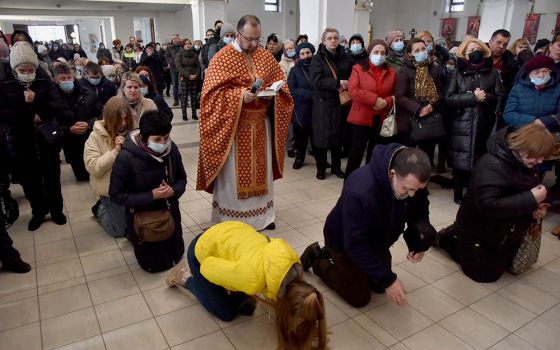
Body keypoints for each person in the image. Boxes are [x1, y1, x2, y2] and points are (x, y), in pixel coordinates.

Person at [300, 145, 435, 307]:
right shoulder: (360, 190)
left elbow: (420, 210)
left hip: (378, 238)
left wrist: (420, 242)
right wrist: (389, 281)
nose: (412, 194)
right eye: (408, 189)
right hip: (343, 241)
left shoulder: (412, 180)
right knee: (359, 297)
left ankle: (357, 271)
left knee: (378, 286)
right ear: (393, 174)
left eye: (418, 189)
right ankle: (318, 258)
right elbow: (355, 244)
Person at [197, 15, 293, 232]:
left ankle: (263, 217)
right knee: (233, 176)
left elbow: (283, 85)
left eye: (257, 39)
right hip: (234, 129)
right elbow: (210, 97)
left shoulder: (266, 56)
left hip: (261, 126)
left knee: (262, 172)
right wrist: (240, 96)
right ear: (238, 35)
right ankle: (231, 221)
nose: (254, 44)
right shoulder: (222, 58)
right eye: (250, 39)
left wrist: (273, 93)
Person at [165, 221, 327, 349]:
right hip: (201, 250)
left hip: (232, 232)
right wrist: (231, 282)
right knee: (226, 312)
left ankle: (228, 286)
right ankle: (184, 277)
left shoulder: (294, 263)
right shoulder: (253, 279)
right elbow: (207, 267)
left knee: (247, 305)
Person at [435, 124, 553, 282]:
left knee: (501, 266)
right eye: (537, 156)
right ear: (522, 147)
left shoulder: (525, 162)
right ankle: (448, 239)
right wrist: (531, 199)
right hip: (481, 231)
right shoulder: (490, 164)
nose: (540, 161)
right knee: (485, 276)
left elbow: (521, 193)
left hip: (505, 232)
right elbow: (488, 205)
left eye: (543, 157)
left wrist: (535, 209)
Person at [0, 41, 68, 231]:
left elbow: (59, 107)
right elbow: (4, 114)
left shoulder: (44, 82)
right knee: (30, 181)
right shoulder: (5, 85)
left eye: (31, 69)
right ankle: (38, 211)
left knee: (52, 177)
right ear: (14, 69)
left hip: (47, 139)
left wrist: (37, 101)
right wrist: (27, 111)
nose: (28, 72)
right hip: (21, 140)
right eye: (23, 69)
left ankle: (56, 210)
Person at [109, 110, 187, 272]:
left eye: (166, 138)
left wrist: (173, 191)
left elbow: (182, 179)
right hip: (144, 219)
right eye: (157, 139)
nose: (163, 143)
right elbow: (116, 195)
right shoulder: (126, 158)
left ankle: (175, 255)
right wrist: (151, 195)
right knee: (154, 261)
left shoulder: (171, 150)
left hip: (170, 211)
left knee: (175, 250)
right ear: (144, 137)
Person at [446, 38, 505, 204]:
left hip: (484, 123)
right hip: (461, 123)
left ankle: (474, 193)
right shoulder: (456, 73)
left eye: (477, 49)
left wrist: (485, 97)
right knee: (460, 161)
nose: (475, 52)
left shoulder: (493, 72)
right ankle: (458, 193)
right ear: (464, 54)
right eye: (470, 50)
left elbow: (500, 97)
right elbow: (449, 99)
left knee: (480, 161)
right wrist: (472, 97)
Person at [344, 39, 397, 179]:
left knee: (375, 153)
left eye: (382, 52)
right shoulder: (358, 68)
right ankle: (350, 180)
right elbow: (353, 90)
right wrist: (374, 100)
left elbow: (396, 94)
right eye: (376, 52)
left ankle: (369, 180)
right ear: (370, 53)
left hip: (381, 118)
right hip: (361, 118)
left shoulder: (391, 72)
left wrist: (386, 101)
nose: (379, 55)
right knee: (356, 151)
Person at [84, 96, 132, 237]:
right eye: (119, 120)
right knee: (119, 231)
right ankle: (100, 208)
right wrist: (115, 151)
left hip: (131, 188)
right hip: (109, 190)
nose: (123, 123)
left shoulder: (134, 133)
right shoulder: (95, 136)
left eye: (126, 119)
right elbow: (93, 168)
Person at [310, 27, 353, 180]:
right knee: (322, 138)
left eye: (335, 38)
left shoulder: (346, 56)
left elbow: (353, 74)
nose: (333, 41)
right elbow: (316, 80)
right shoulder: (317, 58)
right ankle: (321, 169)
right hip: (323, 104)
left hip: (342, 103)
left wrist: (348, 83)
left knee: (338, 138)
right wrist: (337, 83)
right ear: (324, 41)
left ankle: (336, 167)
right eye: (330, 38)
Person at [395, 38, 444, 160]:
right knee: (407, 156)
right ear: (410, 54)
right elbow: (400, 97)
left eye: (423, 49)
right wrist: (419, 109)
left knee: (425, 156)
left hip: (429, 119)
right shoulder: (405, 70)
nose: (421, 52)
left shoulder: (434, 68)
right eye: (417, 50)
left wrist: (432, 105)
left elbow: (441, 92)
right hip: (409, 119)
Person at [54, 64, 103, 181]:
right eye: (63, 79)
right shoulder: (53, 98)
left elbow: (101, 114)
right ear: (55, 80)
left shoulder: (88, 94)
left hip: (90, 137)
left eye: (69, 78)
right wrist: (68, 129)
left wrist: (88, 124)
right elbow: (51, 122)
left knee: (96, 173)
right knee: (82, 176)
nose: (67, 81)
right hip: (70, 141)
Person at [504, 55, 560, 130]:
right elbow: (508, 114)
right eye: (536, 72)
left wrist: (544, 122)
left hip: (550, 133)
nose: (541, 75)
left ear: (550, 72)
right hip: (522, 132)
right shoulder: (518, 89)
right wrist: (533, 121)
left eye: (545, 71)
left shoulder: (558, 89)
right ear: (529, 74)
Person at [288, 42, 316, 170]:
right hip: (302, 109)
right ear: (299, 55)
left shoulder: (318, 67)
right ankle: (300, 158)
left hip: (318, 108)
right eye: (302, 54)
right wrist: (312, 94)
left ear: (312, 53)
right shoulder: (294, 70)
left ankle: (320, 158)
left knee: (317, 136)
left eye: (308, 53)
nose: (306, 56)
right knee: (301, 137)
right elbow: (292, 90)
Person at [488, 29, 518, 126]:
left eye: (505, 44)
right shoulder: (479, 59)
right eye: (498, 42)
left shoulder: (511, 64)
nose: (501, 47)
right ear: (490, 42)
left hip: (499, 106)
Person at [176, 38, 201, 121]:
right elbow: (179, 67)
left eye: (189, 43)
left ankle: (194, 114)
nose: (188, 45)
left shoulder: (194, 54)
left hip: (193, 79)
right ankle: (184, 114)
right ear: (183, 45)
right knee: (184, 97)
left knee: (193, 97)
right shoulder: (179, 54)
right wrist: (188, 75)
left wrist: (196, 75)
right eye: (186, 43)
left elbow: (198, 66)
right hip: (184, 79)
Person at [165, 34, 182, 107]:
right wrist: (172, 61)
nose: (174, 39)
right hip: (173, 68)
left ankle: (183, 99)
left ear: (179, 39)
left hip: (181, 68)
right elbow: (167, 56)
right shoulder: (169, 47)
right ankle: (176, 100)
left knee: (181, 84)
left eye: (176, 38)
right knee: (175, 84)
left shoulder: (182, 46)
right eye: (173, 38)